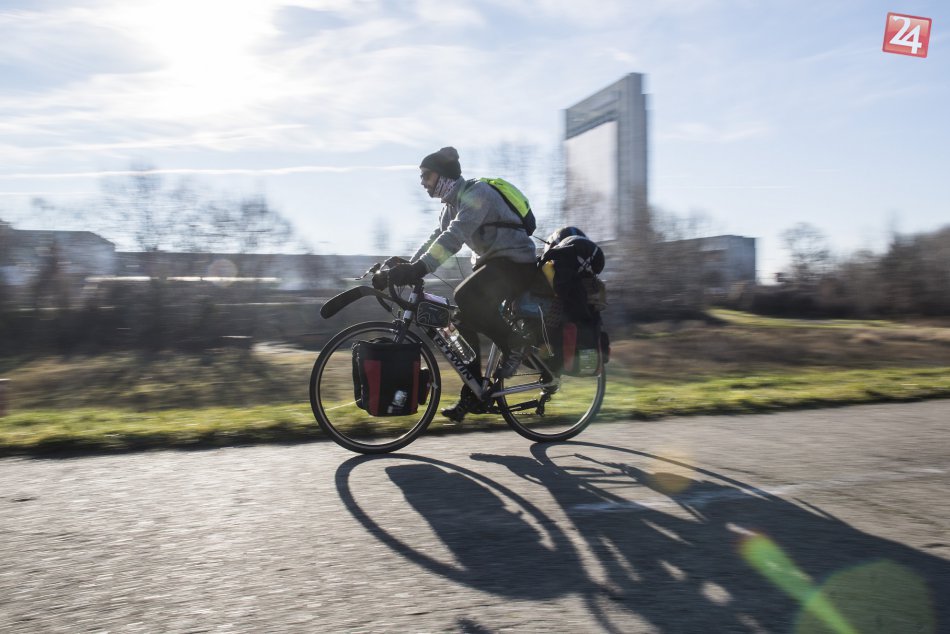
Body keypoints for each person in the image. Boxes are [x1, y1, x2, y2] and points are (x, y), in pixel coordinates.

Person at [375, 146, 538, 422]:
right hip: (495, 266)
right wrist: (406, 268)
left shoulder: (476, 195)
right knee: (459, 326)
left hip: (517, 264)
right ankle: (473, 394)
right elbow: (435, 240)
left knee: (465, 297)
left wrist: (417, 269)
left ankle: (515, 344)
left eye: (426, 176)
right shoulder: (450, 207)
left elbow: (453, 238)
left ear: (444, 175)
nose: (423, 183)